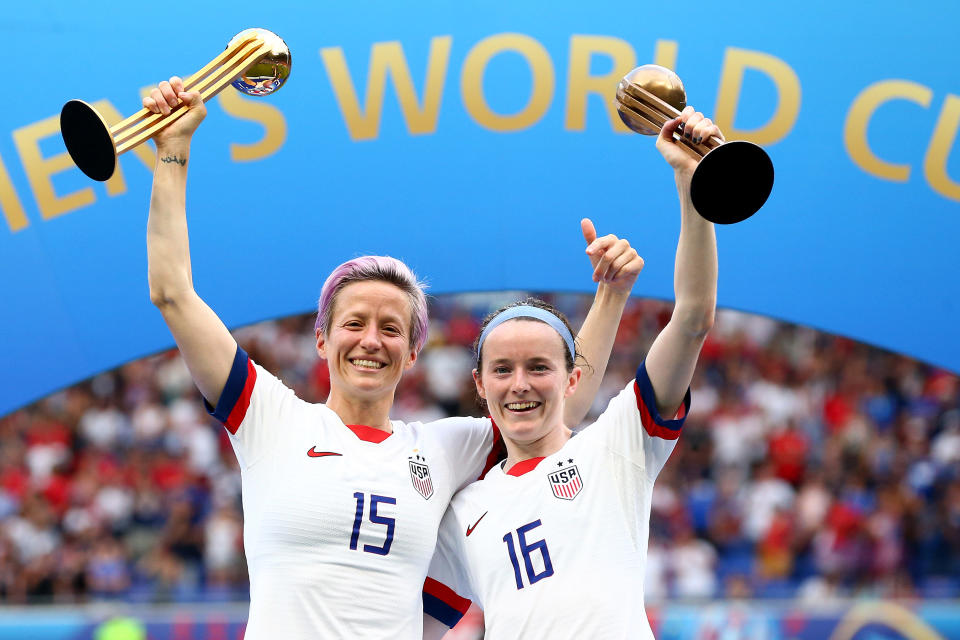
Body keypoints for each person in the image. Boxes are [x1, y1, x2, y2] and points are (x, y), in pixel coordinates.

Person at [142, 77, 644, 637]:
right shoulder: (270, 418)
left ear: (412, 354)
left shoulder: (444, 448)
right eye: (353, 324)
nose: (370, 341)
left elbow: (560, 403)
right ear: (321, 339)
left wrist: (610, 296)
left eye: (390, 329)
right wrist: (172, 151)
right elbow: (173, 294)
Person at [422, 107, 720, 639]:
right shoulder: (463, 508)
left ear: (571, 378)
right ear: (479, 384)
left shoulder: (616, 445)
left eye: (539, 367)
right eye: (502, 369)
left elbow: (693, 317)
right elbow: (412, 623)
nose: (520, 384)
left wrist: (690, 181)